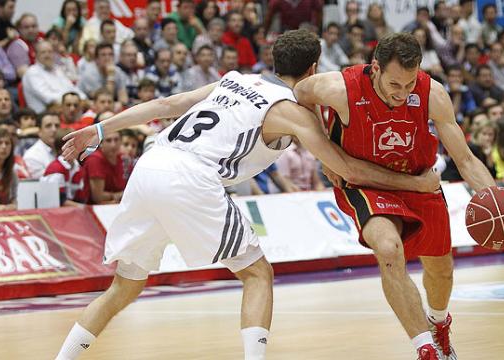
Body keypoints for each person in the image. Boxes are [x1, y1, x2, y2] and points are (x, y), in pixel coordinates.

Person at [55, 30, 440, 360]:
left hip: (151, 163)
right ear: (313, 69)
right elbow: (349, 169)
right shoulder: (292, 112)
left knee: (124, 286)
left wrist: (101, 129)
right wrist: (417, 184)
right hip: (191, 175)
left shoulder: (234, 78)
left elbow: (166, 105)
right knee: (258, 274)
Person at [294, 32, 498, 360]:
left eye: (409, 85)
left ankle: (438, 323)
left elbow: (466, 159)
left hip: (417, 179)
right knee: (389, 249)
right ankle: (426, 350)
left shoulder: (432, 93)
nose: (402, 94)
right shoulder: (339, 88)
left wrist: (495, 199)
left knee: (441, 269)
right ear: (374, 68)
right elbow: (300, 94)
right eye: (394, 85)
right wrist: (325, 152)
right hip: (365, 184)